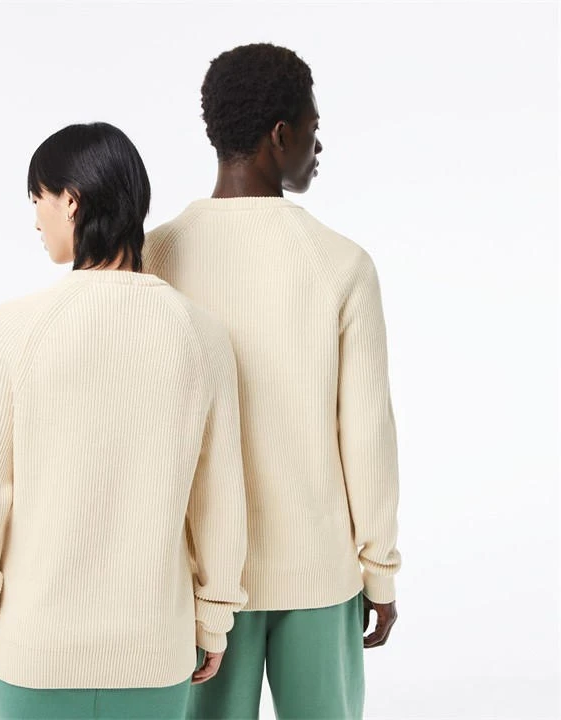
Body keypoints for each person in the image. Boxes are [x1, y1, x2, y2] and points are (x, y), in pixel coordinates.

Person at [0, 122, 248, 720]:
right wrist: (213, 619)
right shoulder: (201, 334)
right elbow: (218, 500)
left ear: (71, 200)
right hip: (153, 651)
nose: (36, 219)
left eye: (38, 197)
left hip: (35, 653)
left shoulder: (14, 330)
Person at [142, 43, 401, 720]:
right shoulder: (341, 263)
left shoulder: (152, 256)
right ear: (280, 135)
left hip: (195, 582)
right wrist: (379, 569)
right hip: (317, 571)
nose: (319, 146)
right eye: (313, 129)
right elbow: (366, 435)